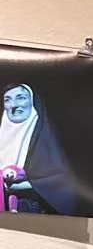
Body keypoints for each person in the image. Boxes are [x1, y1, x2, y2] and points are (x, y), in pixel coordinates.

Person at [1, 83, 80, 216]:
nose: (13, 105)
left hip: (30, 210)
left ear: (32, 102)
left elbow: (61, 182)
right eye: (7, 100)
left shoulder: (44, 140)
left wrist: (19, 186)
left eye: (20, 98)